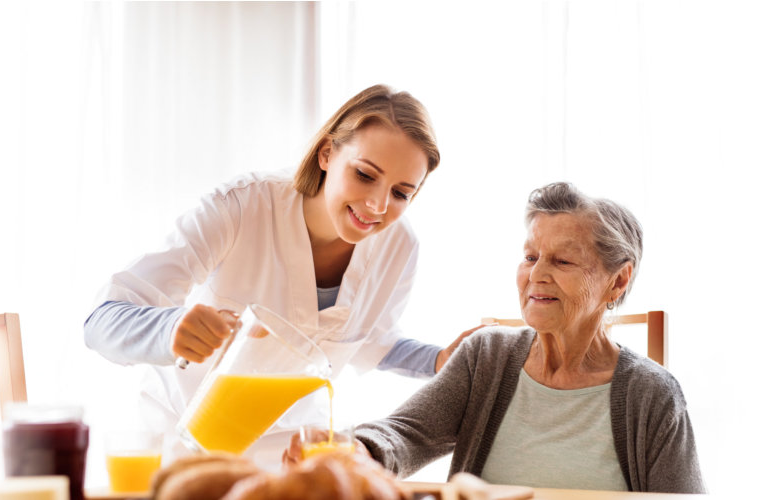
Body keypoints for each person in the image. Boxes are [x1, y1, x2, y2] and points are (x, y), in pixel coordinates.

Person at [84, 85, 476, 466]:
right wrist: (170, 329)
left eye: (401, 193)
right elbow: (100, 320)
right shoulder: (240, 207)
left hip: (291, 463)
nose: (377, 205)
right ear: (326, 153)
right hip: (190, 452)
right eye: (364, 175)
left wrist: (439, 360)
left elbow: (371, 342)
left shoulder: (399, 247)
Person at [287, 182, 705, 493]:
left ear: (618, 281)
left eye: (561, 260)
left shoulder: (653, 395)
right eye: (529, 256)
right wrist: (354, 450)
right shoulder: (486, 355)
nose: (536, 274)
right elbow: (405, 434)